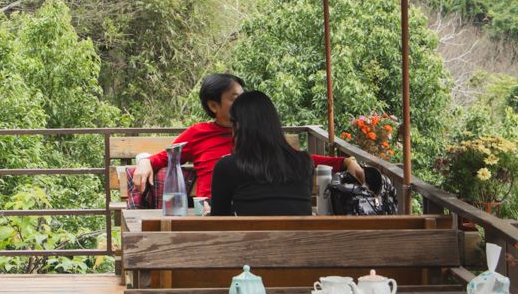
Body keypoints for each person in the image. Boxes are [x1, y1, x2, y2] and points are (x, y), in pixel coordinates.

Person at [135, 72, 362, 204]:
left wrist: (345, 162)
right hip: (212, 213)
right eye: (235, 99)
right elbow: (163, 159)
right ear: (213, 105)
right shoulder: (198, 134)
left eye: (243, 98)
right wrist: (145, 161)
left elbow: (295, 158)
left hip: (250, 210)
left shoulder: (256, 132)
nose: (243, 104)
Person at [210, 90, 318, 216]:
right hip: (303, 236)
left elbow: (219, 221)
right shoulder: (304, 161)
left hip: (254, 236)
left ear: (238, 126)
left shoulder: (227, 166)